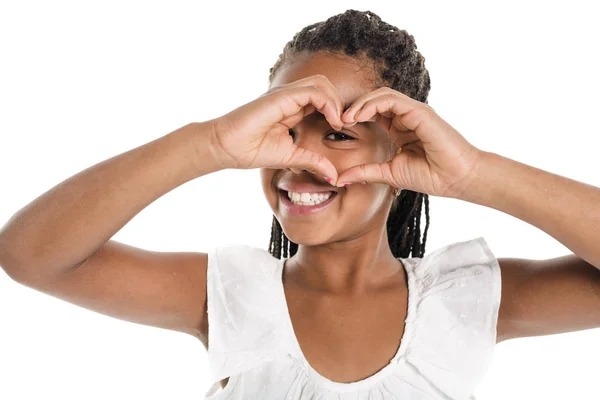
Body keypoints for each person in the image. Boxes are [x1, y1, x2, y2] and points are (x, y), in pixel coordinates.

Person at [1, 9, 600, 399]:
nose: (302, 159)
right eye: (287, 128)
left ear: (408, 150)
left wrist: (473, 173)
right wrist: (210, 142)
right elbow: (30, 255)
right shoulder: (225, 293)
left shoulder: (468, 299)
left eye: (338, 134)